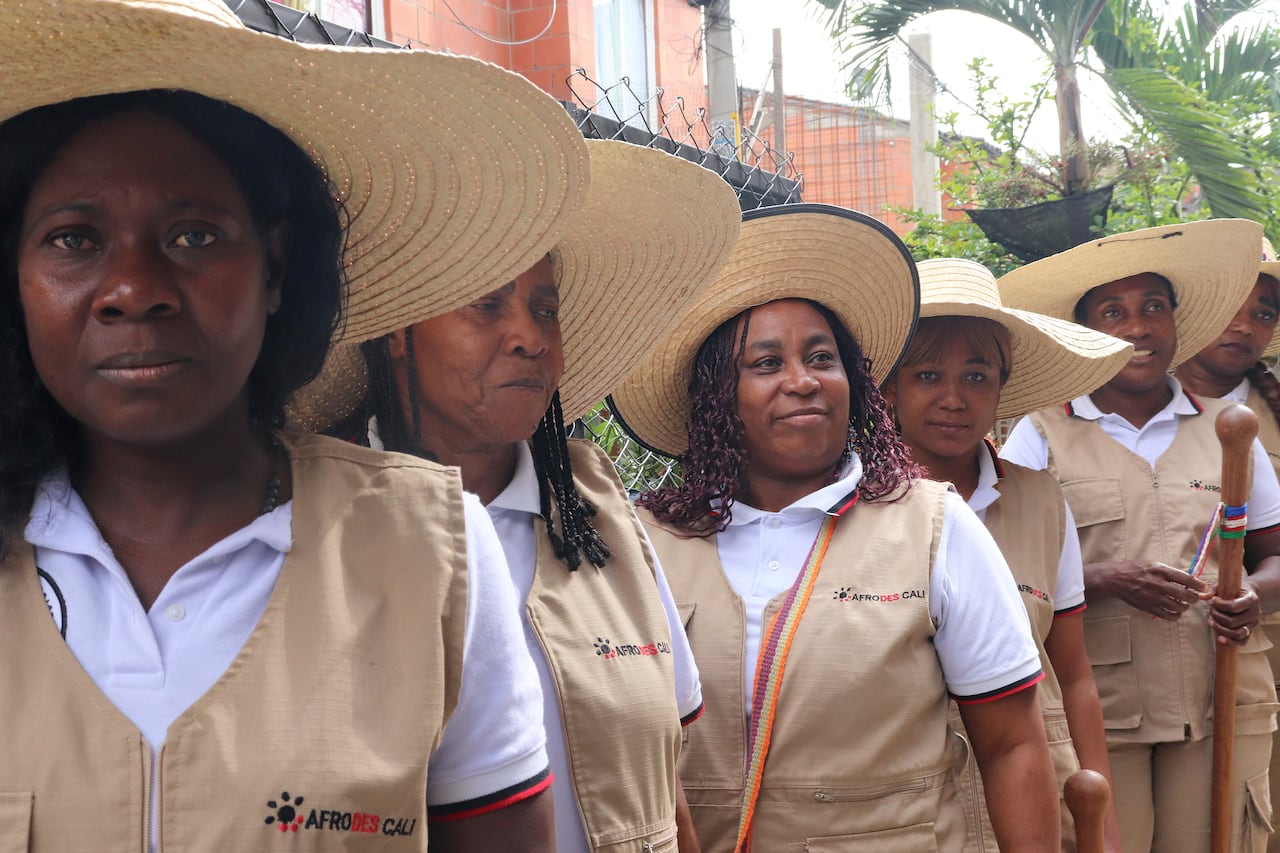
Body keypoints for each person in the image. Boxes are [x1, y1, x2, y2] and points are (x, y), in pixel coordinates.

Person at [0, 0, 594, 849]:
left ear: (274, 265)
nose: (134, 286)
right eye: (72, 239)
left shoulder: (432, 552)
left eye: (194, 235)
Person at [292, 139, 742, 852]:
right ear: (400, 330)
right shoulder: (308, 517)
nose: (530, 338)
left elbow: (663, 782)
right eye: (486, 304)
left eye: (545, 308)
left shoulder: (597, 507)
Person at [610, 204, 1060, 852]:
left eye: (822, 358)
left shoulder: (933, 525)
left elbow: (1014, 744)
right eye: (766, 363)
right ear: (715, 396)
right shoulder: (648, 540)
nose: (802, 381)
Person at [999, 219, 1280, 853]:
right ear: (1084, 333)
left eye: (1154, 307)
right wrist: (1100, 580)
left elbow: (1274, 555)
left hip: (1223, 698)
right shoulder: (1039, 436)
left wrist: (1256, 597)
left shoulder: (1230, 429)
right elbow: (1009, 572)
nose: (1137, 327)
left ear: (1177, 324)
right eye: (1112, 312)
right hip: (1101, 704)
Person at [884, 257, 1132, 852]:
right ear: (889, 388)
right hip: (913, 804)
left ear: (1002, 387)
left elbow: (1071, 674)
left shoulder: (1040, 501)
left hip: (1040, 793)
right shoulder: (855, 506)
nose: (952, 399)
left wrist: (1106, 826)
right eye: (926, 376)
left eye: (976, 377)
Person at [1174, 238, 1280, 852]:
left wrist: (1256, 594)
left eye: (1264, 312)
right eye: (1232, 305)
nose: (1245, 324)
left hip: (1257, 667)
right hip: (1151, 681)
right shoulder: (1124, 410)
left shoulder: (1270, 414)